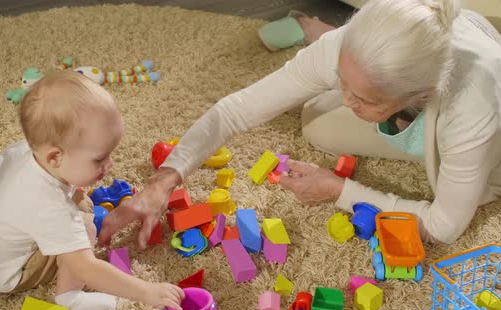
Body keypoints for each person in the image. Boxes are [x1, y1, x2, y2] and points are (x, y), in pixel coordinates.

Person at [98, 0, 501, 248]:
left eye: (362, 99)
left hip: (472, 128)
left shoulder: (474, 105)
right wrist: (162, 182)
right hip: (392, 85)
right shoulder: (345, 48)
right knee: (315, 124)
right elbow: (234, 111)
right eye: (342, 82)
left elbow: (443, 228)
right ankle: (320, 34)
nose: (346, 101)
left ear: (416, 95)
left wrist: (340, 190)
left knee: (463, 187)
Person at [0, 71, 184, 310]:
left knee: (82, 201)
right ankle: (70, 300)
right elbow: (87, 268)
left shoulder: (25, 150)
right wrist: (147, 292)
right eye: (99, 159)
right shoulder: (49, 206)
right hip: (9, 274)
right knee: (85, 225)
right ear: (55, 157)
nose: (110, 164)